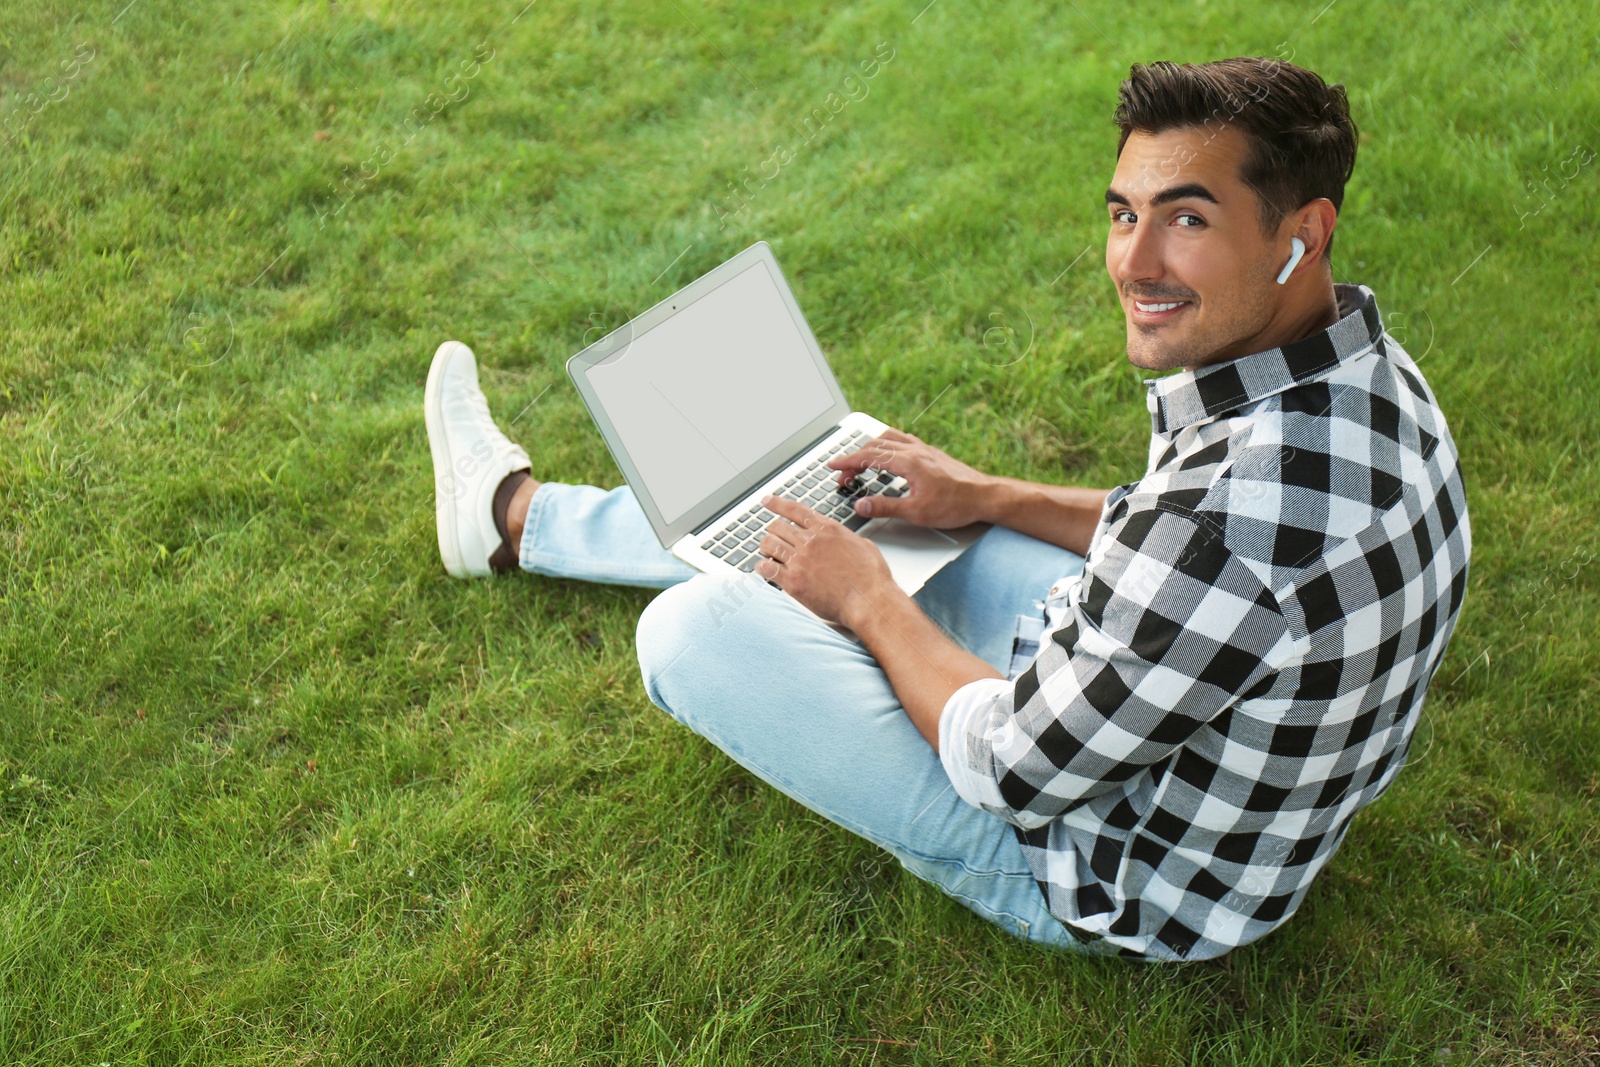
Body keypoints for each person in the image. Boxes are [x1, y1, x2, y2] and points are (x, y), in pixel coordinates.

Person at [423, 57, 1470, 961]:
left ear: (1304, 231)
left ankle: (626, 547)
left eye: (1186, 218)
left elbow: (1008, 765)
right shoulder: (1362, 370)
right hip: (1200, 744)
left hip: (1124, 875)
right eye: (1123, 213)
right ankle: (517, 520)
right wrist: (983, 494)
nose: (1132, 263)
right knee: (865, 505)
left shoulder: (1220, 532)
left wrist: (872, 604)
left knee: (692, 632)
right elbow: (1174, 538)